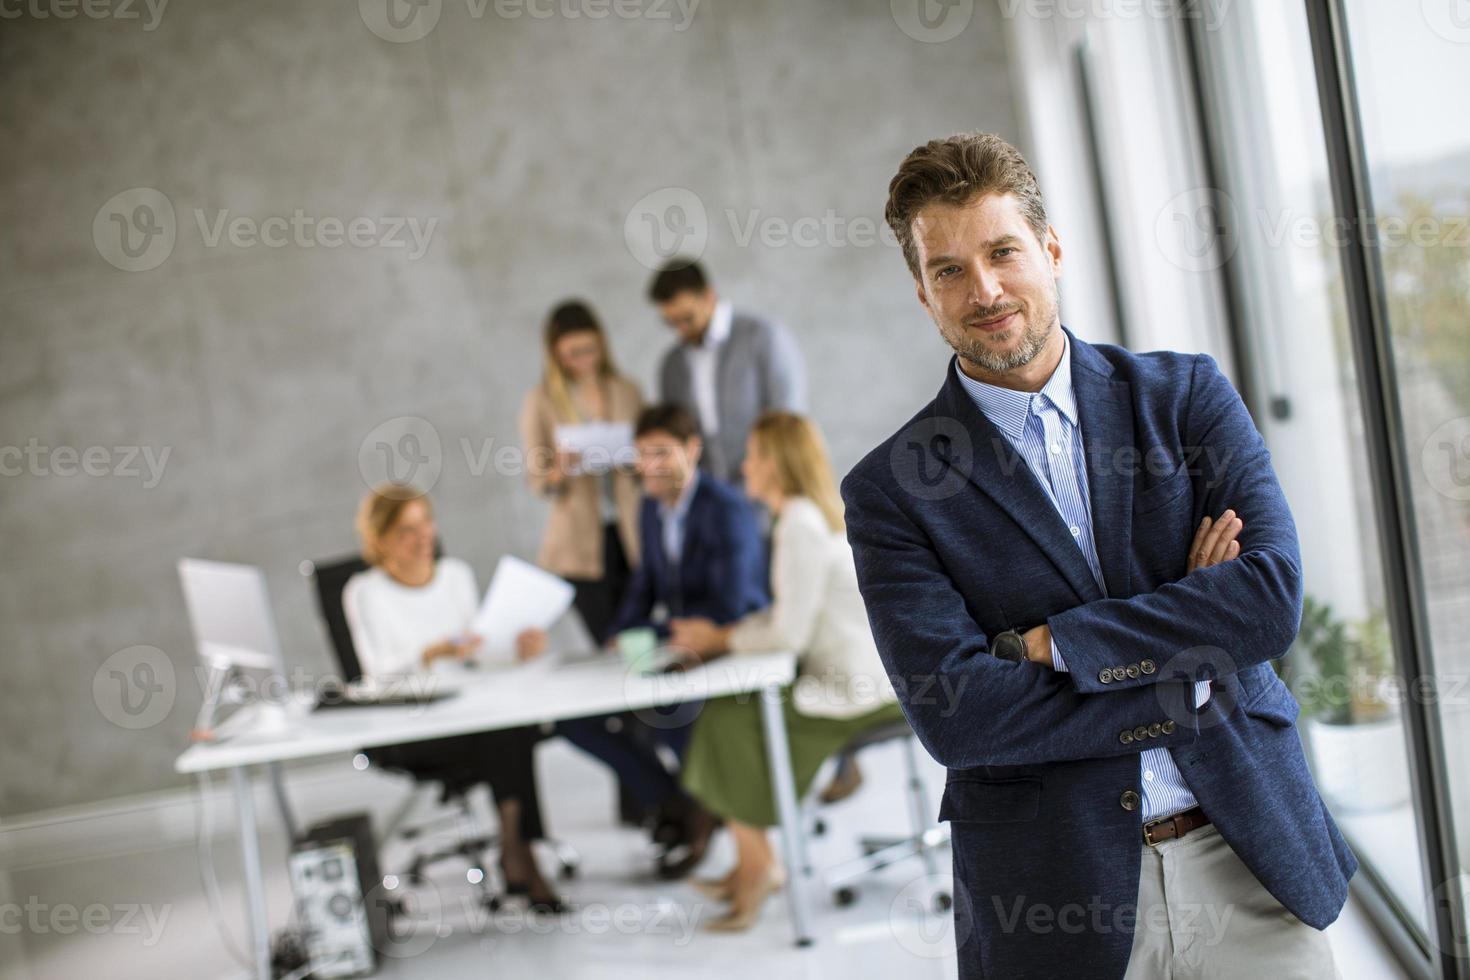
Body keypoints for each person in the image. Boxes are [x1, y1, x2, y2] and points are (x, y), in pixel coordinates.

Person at [841, 132, 1356, 979]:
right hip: (1055, 903)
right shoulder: (892, 491)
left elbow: (1267, 601)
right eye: (949, 271)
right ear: (923, 295)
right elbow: (960, 715)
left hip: (1251, 861)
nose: (986, 289)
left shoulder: (1185, 397)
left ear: (1050, 250)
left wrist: (1055, 645)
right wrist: (1191, 661)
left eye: (1003, 252)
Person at [670, 411, 904, 932]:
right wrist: (729, 633)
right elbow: (788, 615)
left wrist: (720, 638)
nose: (744, 465)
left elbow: (788, 637)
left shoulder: (796, 521)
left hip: (856, 691)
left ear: (776, 462)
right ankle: (750, 865)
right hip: (873, 678)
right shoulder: (805, 515)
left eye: (754, 455)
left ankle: (758, 870)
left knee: (727, 721)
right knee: (728, 712)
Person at [541, 404, 770, 878]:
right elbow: (645, 580)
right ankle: (677, 800)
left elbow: (730, 605)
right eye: (642, 455)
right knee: (575, 721)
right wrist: (621, 632)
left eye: (662, 452)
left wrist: (657, 636)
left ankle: (702, 810)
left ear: (692, 449)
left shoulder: (726, 508)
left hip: (727, 651)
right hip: (677, 648)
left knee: (668, 713)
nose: (650, 465)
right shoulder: (650, 506)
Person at [343, 487, 565, 912]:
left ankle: (515, 845)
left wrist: (516, 650)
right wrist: (430, 653)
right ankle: (519, 854)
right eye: (407, 529)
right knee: (507, 735)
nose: (423, 536)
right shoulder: (364, 591)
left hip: (471, 710)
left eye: (426, 522)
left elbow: (480, 654)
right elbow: (378, 675)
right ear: (381, 539)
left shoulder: (455, 575)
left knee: (512, 725)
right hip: (413, 724)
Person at [519, 299, 643, 645]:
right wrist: (559, 470)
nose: (584, 360)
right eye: (573, 353)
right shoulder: (541, 401)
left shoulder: (627, 391)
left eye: (590, 349)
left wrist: (637, 460)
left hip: (630, 531)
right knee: (609, 640)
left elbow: (651, 453)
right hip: (578, 542)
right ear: (556, 354)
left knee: (639, 632)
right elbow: (538, 481)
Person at [650, 260, 807, 483]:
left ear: (708, 296)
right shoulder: (671, 363)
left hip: (766, 481)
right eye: (671, 323)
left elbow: (787, 414)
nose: (681, 330)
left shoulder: (762, 336)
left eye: (687, 318)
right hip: (707, 489)